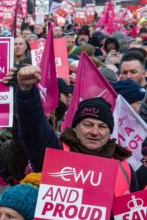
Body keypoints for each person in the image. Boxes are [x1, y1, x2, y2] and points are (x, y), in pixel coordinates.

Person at [12, 65, 138, 195]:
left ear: (110, 132)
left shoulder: (125, 169)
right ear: (75, 128)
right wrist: (26, 92)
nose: (95, 132)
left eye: (102, 127)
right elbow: (33, 128)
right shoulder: (56, 152)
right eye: (88, 124)